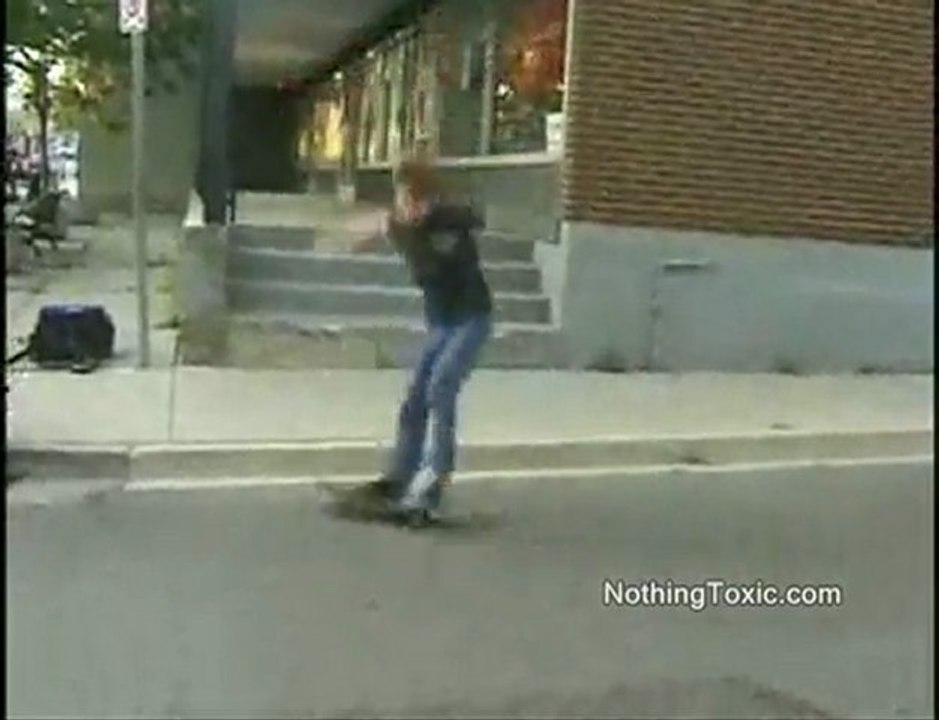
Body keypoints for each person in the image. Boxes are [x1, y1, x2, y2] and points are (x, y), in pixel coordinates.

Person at [367, 157, 493, 518]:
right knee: (415, 399)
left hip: (470, 320)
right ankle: (401, 475)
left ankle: (434, 479)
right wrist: (400, 233)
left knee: (441, 386)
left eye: (412, 199)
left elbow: (432, 271)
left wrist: (403, 235)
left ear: (427, 199)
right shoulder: (417, 229)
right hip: (442, 324)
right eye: (401, 199)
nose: (406, 207)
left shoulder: (447, 229)